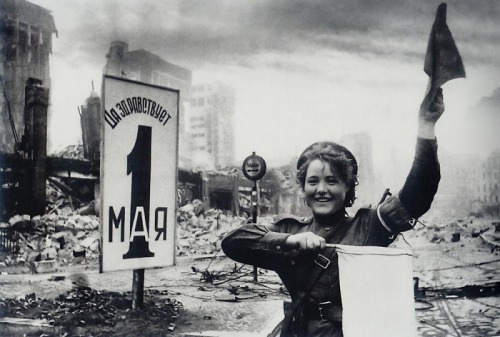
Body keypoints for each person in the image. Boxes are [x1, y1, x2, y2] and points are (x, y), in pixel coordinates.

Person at [221, 89, 445, 337]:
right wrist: (289, 241)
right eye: (313, 181)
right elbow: (233, 242)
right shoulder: (289, 229)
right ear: (303, 189)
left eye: (332, 181)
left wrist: (426, 126)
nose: (322, 190)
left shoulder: (369, 226)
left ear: (347, 187)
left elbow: (417, 195)